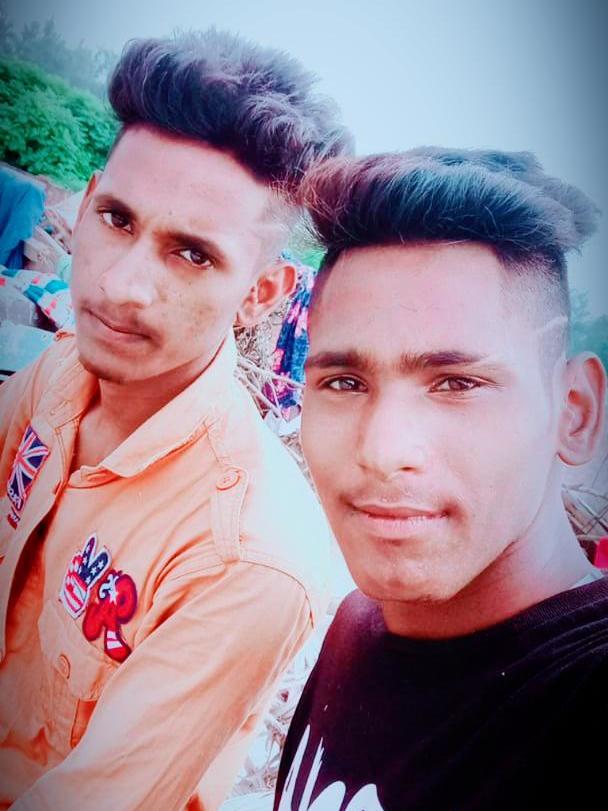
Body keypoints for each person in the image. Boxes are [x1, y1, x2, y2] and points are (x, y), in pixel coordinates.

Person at [0, 30, 351, 811]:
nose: (121, 287)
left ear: (260, 293)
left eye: (191, 254)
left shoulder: (248, 560)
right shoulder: (60, 371)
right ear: (87, 202)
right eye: (117, 219)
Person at [274, 148, 608, 811]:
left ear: (573, 414)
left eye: (457, 383)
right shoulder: (357, 625)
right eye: (344, 382)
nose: (383, 450)